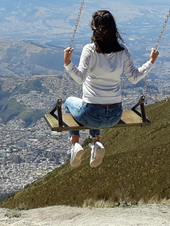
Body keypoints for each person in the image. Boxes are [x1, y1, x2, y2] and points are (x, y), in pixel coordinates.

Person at [63, 10, 159, 168]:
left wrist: (68, 63)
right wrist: (151, 62)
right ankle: (96, 144)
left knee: (68, 103)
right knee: (96, 107)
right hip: (115, 114)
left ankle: (75, 145)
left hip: (91, 114)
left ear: (94, 28)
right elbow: (134, 77)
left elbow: (79, 78)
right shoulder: (122, 51)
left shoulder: (90, 50)